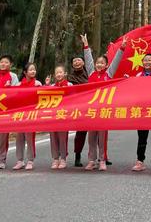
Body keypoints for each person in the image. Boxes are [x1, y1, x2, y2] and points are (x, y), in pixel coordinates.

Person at [84, 36, 127, 171]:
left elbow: (116, 61)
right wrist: (86, 45)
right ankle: (91, 160)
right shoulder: (91, 73)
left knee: (102, 138)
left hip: (104, 111)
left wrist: (122, 48)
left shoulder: (109, 74)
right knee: (91, 138)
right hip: (91, 111)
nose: (99, 65)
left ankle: (102, 160)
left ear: (106, 65)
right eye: (98, 63)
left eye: (102, 63)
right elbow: (88, 60)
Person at [13, 62, 42, 171]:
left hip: (32, 114)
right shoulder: (18, 85)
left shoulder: (38, 83)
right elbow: (12, 98)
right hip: (20, 115)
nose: (33, 71)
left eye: (34, 69)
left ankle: (30, 160)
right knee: (19, 138)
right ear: (25, 72)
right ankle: (19, 160)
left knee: (30, 138)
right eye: (30, 70)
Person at [69, 34, 90, 167]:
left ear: (83, 62)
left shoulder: (90, 73)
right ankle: (77, 155)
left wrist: (85, 44)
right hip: (78, 108)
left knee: (100, 132)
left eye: (79, 60)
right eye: (74, 61)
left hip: (93, 106)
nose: (77, 62)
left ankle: (102, 157)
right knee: (80, 133)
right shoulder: (70, 77)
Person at [46, 65, 72, 169]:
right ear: (54, 75)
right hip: (53, 116)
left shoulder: (70, 85)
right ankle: (55, 158)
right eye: (57, 73)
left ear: (65, 73)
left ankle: (63, 159)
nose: (59, 74)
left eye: (61, 72)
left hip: (63, 115)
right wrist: (46, 85)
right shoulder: (52, 86)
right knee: (53, 137)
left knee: (62, 138)